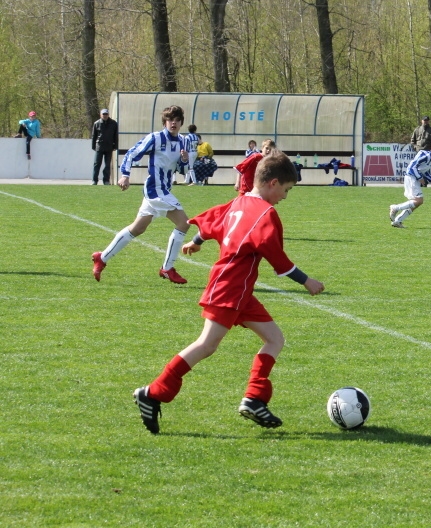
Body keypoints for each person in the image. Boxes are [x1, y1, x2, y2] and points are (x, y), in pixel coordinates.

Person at [132, 153, 324, 434]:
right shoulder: (266, 214)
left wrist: (197, 241)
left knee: (274, 339)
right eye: (286, 190)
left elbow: (215, 220)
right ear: (273, 183)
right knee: (206, 345)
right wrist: (307, 281)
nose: (285, 196)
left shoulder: (240, 201)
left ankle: (254, 398)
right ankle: (153, 392)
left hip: (239, 290)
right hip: (230, 288)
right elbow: (278, 260)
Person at [91, 105, 192, 284]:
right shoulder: (155, 138)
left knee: (137, 228)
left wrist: (184, 160)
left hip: (165, 189)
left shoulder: (184, 141)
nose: (173, 123)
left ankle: (102, 257)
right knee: (183, 223)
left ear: (181, 122)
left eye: (176, 120)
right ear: (165, 122)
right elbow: (132, 153)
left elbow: (183, 170)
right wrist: (125, 175)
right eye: (170, 120)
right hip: (155, 189)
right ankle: (167, 268)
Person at [389, 139, 431, 228]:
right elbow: (412, 166)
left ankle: (398, 221)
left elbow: (423, 170)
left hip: (413, 178)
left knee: (416, 203)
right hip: (411, 177)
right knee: (419, 201)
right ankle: (395, 208)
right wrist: (420, 178)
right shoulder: (427, 156)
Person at [91, 109, 119, 185]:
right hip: (99, 146)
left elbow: (115, 136)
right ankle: (94, 180)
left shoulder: (113, 123)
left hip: (109, 146)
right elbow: (94, 136)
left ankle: (106, 180)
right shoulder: (97, 123)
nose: (105, 115)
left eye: (106, 114)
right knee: (97, 164)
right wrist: (93, 146)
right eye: (103, 114)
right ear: (100, 115)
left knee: (107, 165)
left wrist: (115, 145)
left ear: (108, 115)